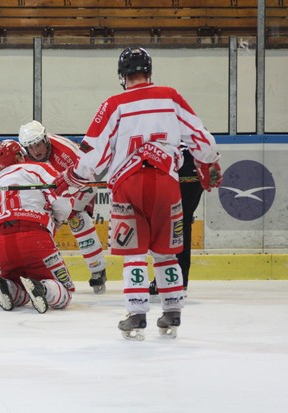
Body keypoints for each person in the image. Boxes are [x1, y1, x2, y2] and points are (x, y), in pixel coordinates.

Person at [54, 47, 222, 340]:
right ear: (149, 71)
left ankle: (136, 313)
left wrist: (72, 177)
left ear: (122, 76)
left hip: (128, 185)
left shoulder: (113, 104)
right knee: (166, 252)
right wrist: (209, 161)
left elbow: (94, 151)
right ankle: (172, 310)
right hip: (168, 183)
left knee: (134, 254)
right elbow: (201, 137)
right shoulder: (170, 96)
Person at [0, 139, 75, 314]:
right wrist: (58, 220)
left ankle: (9, 287)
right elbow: (63, 204)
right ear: (19, 156)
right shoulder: (39, 168)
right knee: (65, 292)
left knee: (20, 286)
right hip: (34, 237)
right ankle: (42, 288)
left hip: (0, 245)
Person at [17, 120, 108, 294]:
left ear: (45, 139)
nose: (36, 151)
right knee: (35, 226)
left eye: (38, 145)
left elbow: (90, 182)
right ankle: (30, 270)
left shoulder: (67, 152)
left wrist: (68, 209)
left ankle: (98, 269)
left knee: (78, 220)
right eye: (31, 147)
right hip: (49, 192)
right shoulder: (22, 156)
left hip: (79, 186)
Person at [149, 146, 204, 295]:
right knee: (181, 223)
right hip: (193, 169)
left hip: (177, 169)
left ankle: (168, 279)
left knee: (170, 224)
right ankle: (178, 280)